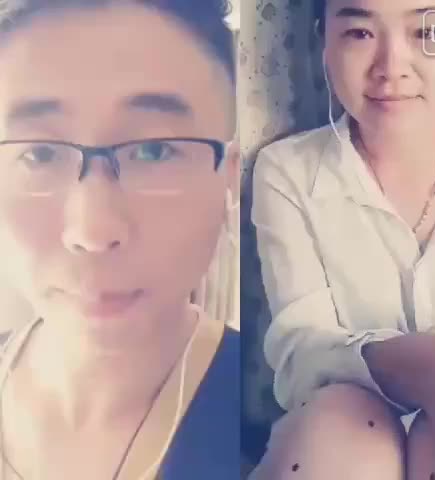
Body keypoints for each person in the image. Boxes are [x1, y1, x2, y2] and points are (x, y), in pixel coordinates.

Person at [0, 0, 239, 478]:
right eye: (39, 154)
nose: (92, 231)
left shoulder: (272, 424)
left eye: (153, 151)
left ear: (229, 178)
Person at [250, 0, 435, 478]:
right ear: (324, 42)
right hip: (335, 442)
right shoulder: (287, 172)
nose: (391, 68)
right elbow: (300, 352)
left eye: (426, 32)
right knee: (344, 423)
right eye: (359, 33)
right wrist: (421, 365)